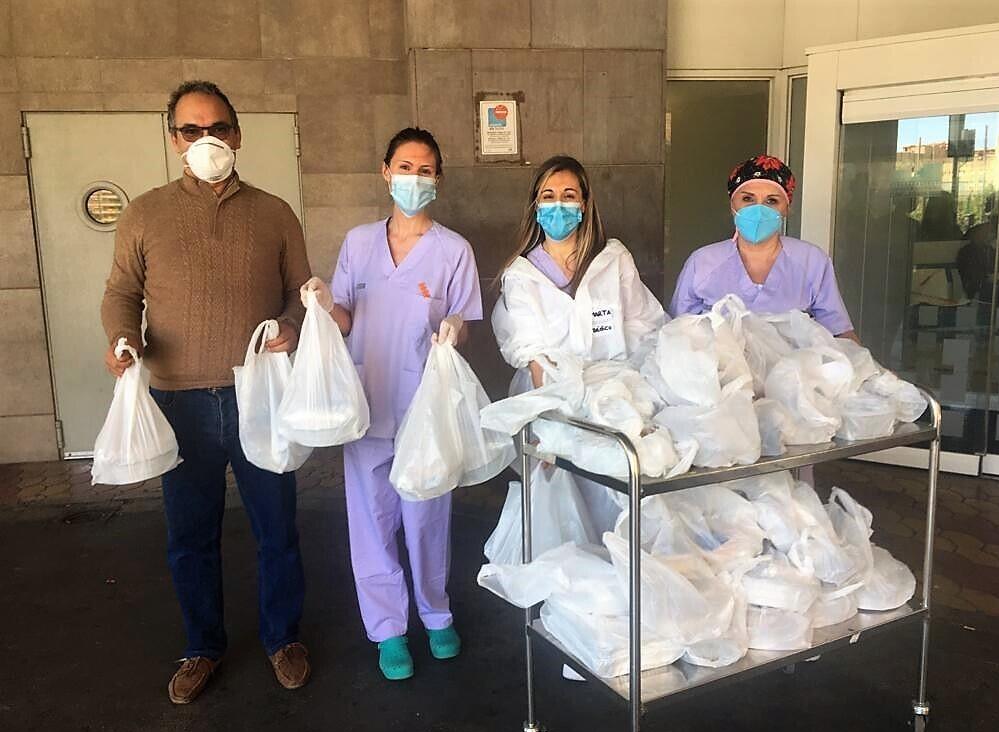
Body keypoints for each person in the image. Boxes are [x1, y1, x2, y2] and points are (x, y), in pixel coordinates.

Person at [100, 80, 313, 704]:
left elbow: (300, 292)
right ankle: (202, 647)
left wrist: (293, 325)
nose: (206, 139)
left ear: (238, 134)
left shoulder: (275, 212)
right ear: (174, 140)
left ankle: (283, 638)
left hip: (258, 395)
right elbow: (121, 293)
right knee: (191, 537)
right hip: (180, 401)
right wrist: (122, 338)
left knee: (277, 528)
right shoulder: (145, 214)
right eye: (191, 130)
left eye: (217, 127)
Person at [303, 128, 482, 682]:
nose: (414, 179)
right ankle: (388, 630)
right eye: (405, 167)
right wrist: (324, 304)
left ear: (438, 179)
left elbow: (464, 323)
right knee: (372, 522)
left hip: (426, 406)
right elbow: (345, 319)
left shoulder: (453, 250)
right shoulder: (358, 244)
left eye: (425, 170)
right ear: (386, 172)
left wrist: (455, 326)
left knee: (427, 516)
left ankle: (436, 613)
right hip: (369, 400)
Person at [492, 154, 667, 523]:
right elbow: (532, 353)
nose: (559, 205)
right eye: (548, 195)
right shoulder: (522, 275)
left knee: (620, 506)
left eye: (569, 195)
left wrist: (641, 397)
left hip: (616, 396)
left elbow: (644, 325)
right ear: (535, 205)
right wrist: (553, 426)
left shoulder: (612, 259)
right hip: (553, 400)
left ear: (585, 204)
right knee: (566, 510)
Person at [669, 155, 858, 341]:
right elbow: (676, 334)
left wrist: (862, 360)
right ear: (732, 205)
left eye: (771, 201)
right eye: (747, 198)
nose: (758, 210)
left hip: (796, 362)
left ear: (786, 208)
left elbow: (840, 333)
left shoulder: (812, 261)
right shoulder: (702, 263)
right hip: (719, 363)